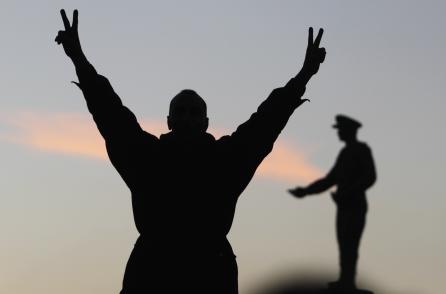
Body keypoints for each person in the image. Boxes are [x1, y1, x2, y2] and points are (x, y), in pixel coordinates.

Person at [55, 9, 326, 294]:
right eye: (180, 112)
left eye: (194, 113)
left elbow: (266, 122)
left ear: (206, 122)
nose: (187, 118)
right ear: (169, 121)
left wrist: (304, 75)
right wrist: (79, 59)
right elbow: (110, 112)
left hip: (209, 271)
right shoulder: (147, 157)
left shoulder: (225, 160)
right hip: (153, 271)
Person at [289, 114, 376, 292]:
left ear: (349, 131)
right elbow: (330, 180)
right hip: (343, 205)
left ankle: (348, 282)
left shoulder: (361, 150)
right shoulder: (345, 153)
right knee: (344, 243)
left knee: (350, 243)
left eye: (341, 130)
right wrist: (305, 191)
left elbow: (370, 176)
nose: (338, 133)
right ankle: (345, 280)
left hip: (354, 204)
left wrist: (349, 192)